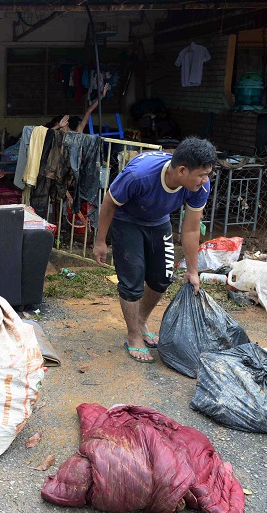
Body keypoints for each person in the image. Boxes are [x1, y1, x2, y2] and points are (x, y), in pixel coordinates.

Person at [92, 137, 216, 363]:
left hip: (158, 221)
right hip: (126, 219)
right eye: (201, 174)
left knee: (163, 277)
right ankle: (133, 335)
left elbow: (190, 229)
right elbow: (109, 202)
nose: (205, 180)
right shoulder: (139, 175)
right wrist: (101, 241)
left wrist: (193, 270)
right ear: (181, 171)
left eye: (207, 174)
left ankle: (141, 320)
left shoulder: (200, 186)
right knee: (132, 278)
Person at [46, 83, 110, 134]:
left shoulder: (78, 131)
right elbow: (46, 134)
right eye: (58, 128)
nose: (60, 129)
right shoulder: (59, 138)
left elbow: (88, 111)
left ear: (67, 123)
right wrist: (58, 126)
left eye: (62, 125)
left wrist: (101, 96)